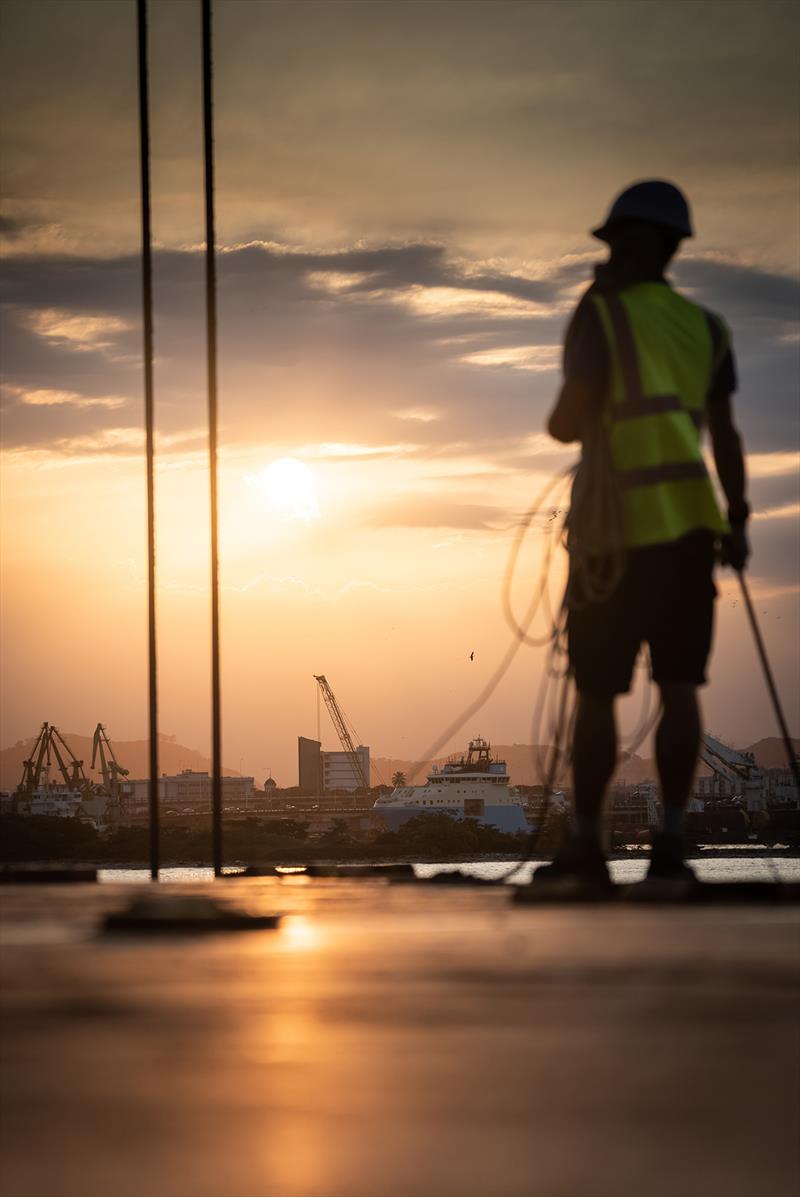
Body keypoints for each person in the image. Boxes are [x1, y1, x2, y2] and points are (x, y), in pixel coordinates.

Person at [540, 179, 750, 890]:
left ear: (633, 246)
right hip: (691, 531)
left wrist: (588, 311)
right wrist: (740, 518)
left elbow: (566, 423)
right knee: (681, 685)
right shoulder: (707, 327)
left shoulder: (601, 315)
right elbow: (723, 435)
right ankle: (670, 844)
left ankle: (587, 848)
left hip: (613, 534)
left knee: (598, 692)